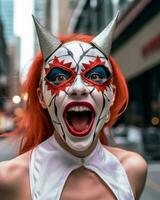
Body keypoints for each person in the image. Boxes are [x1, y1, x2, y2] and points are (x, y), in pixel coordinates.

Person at [0, 14, 147, 200]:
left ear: (111, 96)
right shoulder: (9, 179)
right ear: (41, 97)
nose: (78, 88)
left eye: (95, 76)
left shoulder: (133, 170)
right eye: (59, 78)